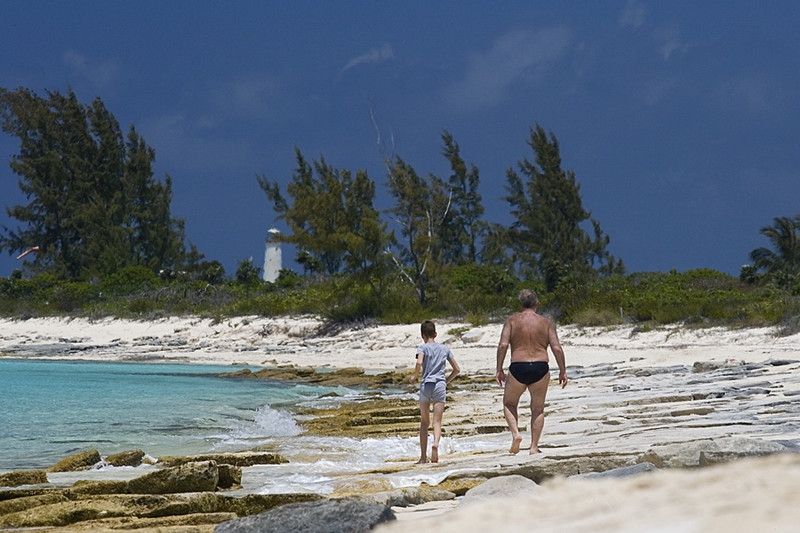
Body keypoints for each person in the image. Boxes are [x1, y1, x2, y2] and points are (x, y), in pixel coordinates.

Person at [496, 289, 567, 454]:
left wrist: (499, 368)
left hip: (518, 366)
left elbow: (503, 345)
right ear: (537, 303)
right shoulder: (546, 322)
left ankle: (516, 435)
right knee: (537, 409)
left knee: (509, 403)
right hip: (540, 367)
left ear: (520, 304)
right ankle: (534, 447)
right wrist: (562, 371)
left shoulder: (512, 320)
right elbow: (556, 347)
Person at [408, 320, 461, 463]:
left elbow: (419, 362)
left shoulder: (422, 348)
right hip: (439, 386)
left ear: (422, 335)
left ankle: (423, 457)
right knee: (437, 422)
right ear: (435, 334)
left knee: (424, 423)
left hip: (426, 386)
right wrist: (446, 382)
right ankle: (436, 445)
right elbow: (457, 369)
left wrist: (414, 375)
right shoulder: (444, 349)